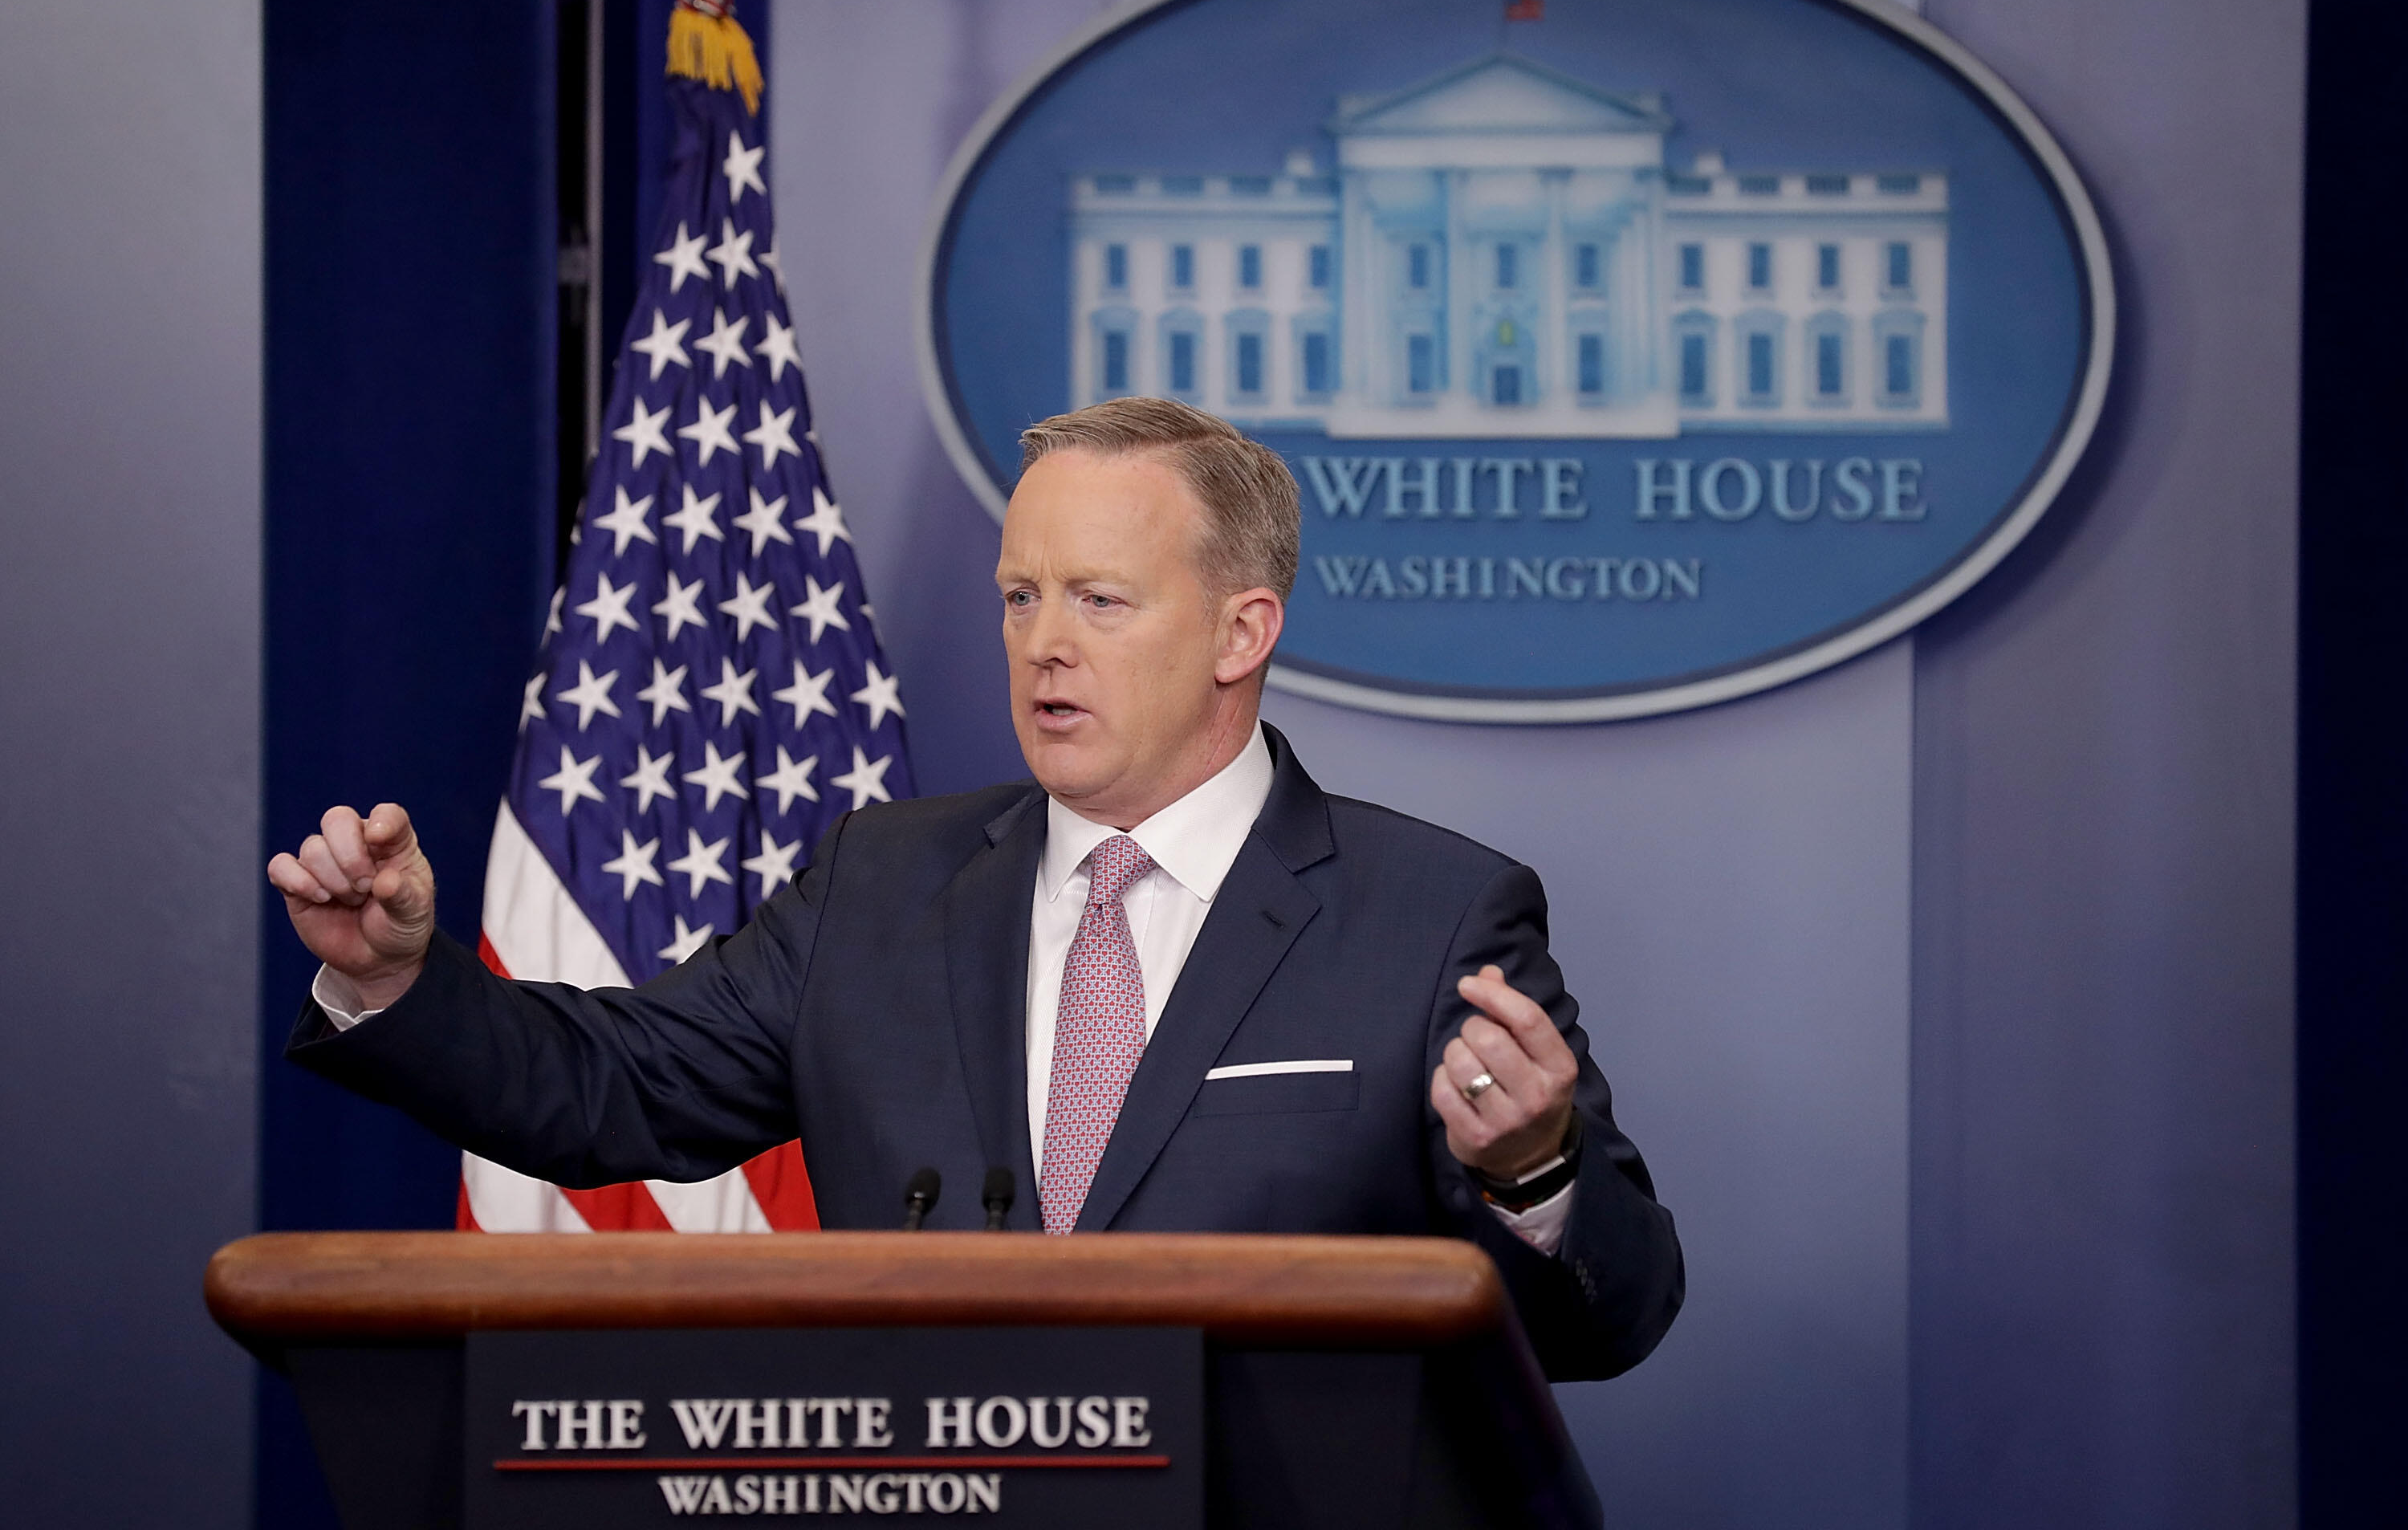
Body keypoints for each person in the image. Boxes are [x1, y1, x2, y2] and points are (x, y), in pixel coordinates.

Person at [273, 397, 1682, 1380]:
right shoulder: (879, 883)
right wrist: (396, 979)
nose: (1045, 646)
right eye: (1021, 598)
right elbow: (614, 1086)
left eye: (1100, 600)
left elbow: (1612, 1318)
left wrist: (1532, 1171)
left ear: (1242, 630)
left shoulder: (1432, 917)